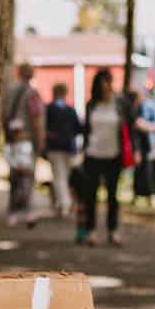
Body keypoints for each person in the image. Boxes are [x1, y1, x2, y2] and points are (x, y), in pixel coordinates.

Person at [79, 67, 126, 245]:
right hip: (93, 154)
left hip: (114, 155)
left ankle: (113, 231)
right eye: (102, 83)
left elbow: (128, 128)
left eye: (108, 82)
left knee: (112, 196)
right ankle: (91, 231)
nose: (106, 87)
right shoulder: (92, 105)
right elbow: (86, 130)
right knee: (91, 195)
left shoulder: (119, 104)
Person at [3, 62, 45, 226]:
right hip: (27, 140)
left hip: (12, 139)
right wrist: (40, 140)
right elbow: (37, 118)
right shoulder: (32, 93)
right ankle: (27, 211)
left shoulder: (10, 92)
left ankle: (12, 212)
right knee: (27, 176)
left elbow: (4, 115)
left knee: (14, 176)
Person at [44, 81, 84, 217]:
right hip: (69, 147)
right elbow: (79, 128)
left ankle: (64, 204)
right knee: (64, 177)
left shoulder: (48, 109)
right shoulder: (70, 110)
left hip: (55, 147)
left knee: (59, 177)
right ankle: (63, 204)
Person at [131, 82, 155, 204]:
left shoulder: (150, 106)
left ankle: (150, 197)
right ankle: (136, 195)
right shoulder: (133, 108)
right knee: (138, 171)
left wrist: (144, 126)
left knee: (149, 171)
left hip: (149, 144)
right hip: (137, 145)